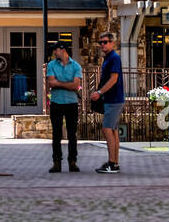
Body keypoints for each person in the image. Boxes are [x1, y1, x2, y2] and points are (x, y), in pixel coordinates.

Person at [45, 42, 83, 173]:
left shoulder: (76, 66)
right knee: (56, 134)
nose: (54, 53)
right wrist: (68, 84)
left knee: (72, 134)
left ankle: (72, 162)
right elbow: (51, 83)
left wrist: (59, 83)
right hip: (56, 103)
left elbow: (76, 86)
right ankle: (57, 163)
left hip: (71, 103)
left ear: (63, 50)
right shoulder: (51, 65)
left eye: (55, 50)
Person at [90, 33, 124, 173]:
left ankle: (112, 163)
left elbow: (114, 79)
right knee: (113, 130)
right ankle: (114, 162)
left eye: (105, 42)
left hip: (113, 99)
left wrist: (100, 92)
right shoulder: (109, 58)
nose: (102, 45)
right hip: (113, 99)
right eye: (101, 42)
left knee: (107, 129)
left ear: (112, 43)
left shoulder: (114, 58)